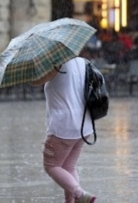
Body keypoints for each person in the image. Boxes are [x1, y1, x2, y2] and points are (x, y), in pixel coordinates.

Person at [30, 57, 96, 203]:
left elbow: (35, 81)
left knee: (51, 166)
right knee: (68, 167)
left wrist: (36, 66)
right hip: (84, 123)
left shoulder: (56, 64)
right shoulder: (82, 62)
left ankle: (80, 194)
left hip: (64, 126)